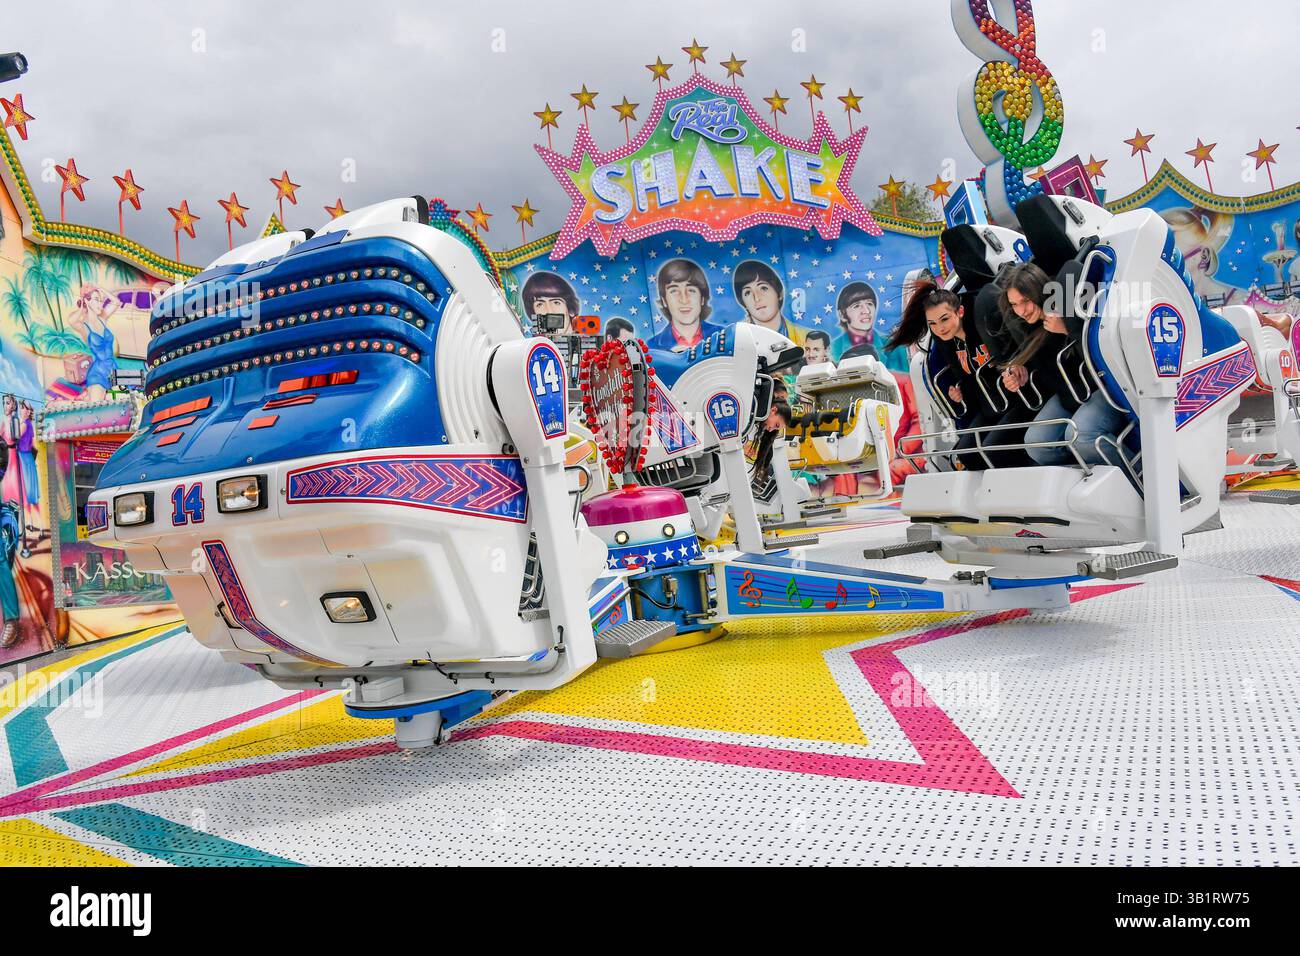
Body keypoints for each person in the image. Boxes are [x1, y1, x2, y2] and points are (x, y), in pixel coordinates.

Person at [885, 283, 1032, 469]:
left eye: (944, 319)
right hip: (989, 408)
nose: (940, 328)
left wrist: (1018, 373)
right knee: (966, 455)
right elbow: (968, 380)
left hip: (1015, 401)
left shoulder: (982, 326)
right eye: (933, 324)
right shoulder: (949, 344)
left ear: (960, 311)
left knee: (994, 449)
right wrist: (960, 392)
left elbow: (1014, 357)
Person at [996, 262, 1127, 465]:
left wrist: (1068, 329)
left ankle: (1136, 476)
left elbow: (1102, 354)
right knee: (1035, 444)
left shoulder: (1065, 304)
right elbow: (1043, 367)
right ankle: (1083, 479)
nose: (1021, 310)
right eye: (1014, 304)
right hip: (1068, 393)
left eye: (1026, 301)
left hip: (1100, 386)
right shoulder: (1026, 326)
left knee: (1081, 436)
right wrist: (1022, 370)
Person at [647, 259, 725, 351]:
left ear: (702, 298)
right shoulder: (652, 347)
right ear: (664, 301)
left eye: (691, 290)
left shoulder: (723, 336)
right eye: (674, 291)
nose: (684, 300)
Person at [734, 260, 804, 345]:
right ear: (743, 303)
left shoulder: (807, 338)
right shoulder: (737, 342)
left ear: (779, 294)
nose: (756, 298)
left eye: (763, 288)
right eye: (747, 293)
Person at [70, 285, 121, 401]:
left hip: (113, 368)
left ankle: (85, 397)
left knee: (122, 400)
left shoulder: (102, 318)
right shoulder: (84, 327)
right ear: (87, 302)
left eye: (101, 300)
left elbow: (116, 302)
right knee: (97, 406)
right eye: (97, 300)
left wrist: (99, 288)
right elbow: (71, 321)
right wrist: (83, 307)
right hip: (98, 374)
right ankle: (86, 397)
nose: (101, 304)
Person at [832, 282, 880, 362]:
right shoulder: (832, 349)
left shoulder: (894, 346)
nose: (866, 311)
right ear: (842, 315)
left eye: (869, 303)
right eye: (856, 306)